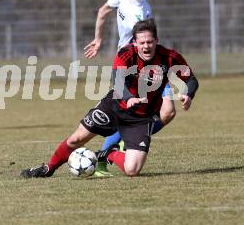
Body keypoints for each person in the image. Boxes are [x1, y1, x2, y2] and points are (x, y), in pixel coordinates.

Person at [21, 19, 198, 178]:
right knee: (77, 139)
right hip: (114, 107)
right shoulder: (126, 54)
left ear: (157, 41)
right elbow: (118, 80)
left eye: (150, 42)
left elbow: (191, 79)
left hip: (140, 119)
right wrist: (128, 98)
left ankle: (108, 153)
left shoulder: (169, 57)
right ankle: (48, 168)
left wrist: (188, 94)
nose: (146, 46)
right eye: (142, 42)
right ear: (134, 43)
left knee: (132, 170)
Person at [83, 0, 176, 177]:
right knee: (136, 115)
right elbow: (103, 11)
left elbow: (103, 11)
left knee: (168, 111)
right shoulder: (136, 12)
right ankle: (110, 152)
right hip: (135, 69)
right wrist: (98, 39)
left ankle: (118, 147)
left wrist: (99, 39)